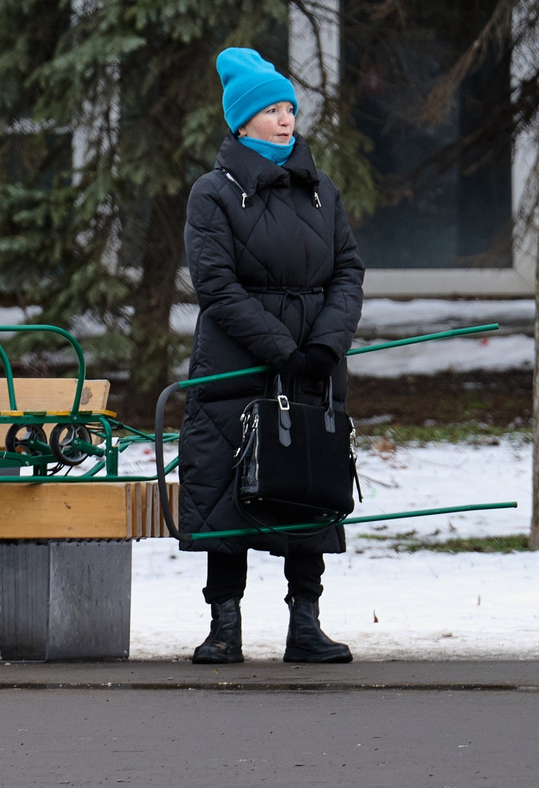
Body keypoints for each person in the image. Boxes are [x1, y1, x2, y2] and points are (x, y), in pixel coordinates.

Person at [178, 47, 366, 666]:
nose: (286, 119)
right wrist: (280, 349)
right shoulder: (213, 194)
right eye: (271, 109)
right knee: (228, 485)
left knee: (307, 484)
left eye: (289, 108)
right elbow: (216, 287)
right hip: (236, 364)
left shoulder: (320, 190)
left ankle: (305, 624)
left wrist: (322, 347)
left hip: (312, 365)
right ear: (242, 121)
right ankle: (223, 626)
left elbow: (347, 272)